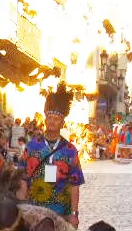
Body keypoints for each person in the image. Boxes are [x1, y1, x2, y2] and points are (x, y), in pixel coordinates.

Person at [23, 86, 85, 223]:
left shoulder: (70, 150)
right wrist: (22, 206)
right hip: (34, 211)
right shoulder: (32, 146)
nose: (51, 121)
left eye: (56, 119)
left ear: (62, 123)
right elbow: (23, 178)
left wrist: (74, 214)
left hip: (61, 212)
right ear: (45, 120)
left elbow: (75, 184)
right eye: (49, 117)